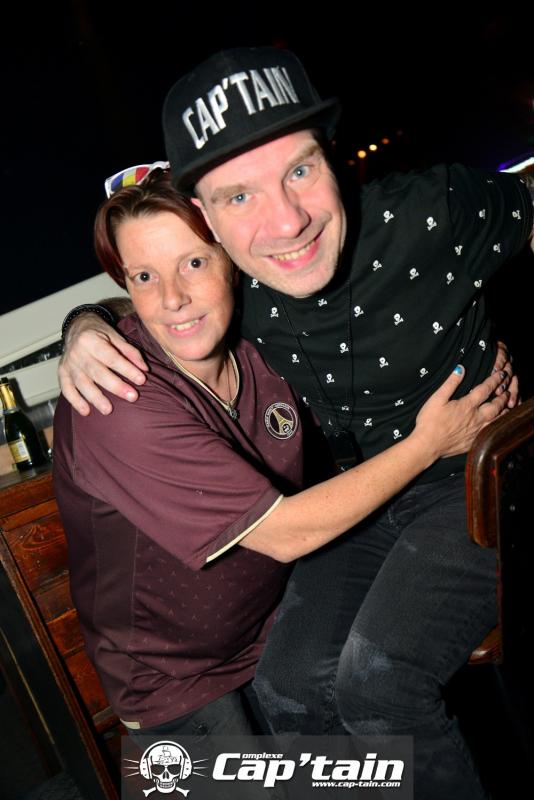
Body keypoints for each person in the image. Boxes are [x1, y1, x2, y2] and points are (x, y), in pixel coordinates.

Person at [57, 48, 533, 799]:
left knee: (374, 688)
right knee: (283, 709)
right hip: (193, 670)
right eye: (239, 196)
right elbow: (157, 292)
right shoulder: (185, 339)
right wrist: (80, 326)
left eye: (300, 170)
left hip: (449, 495)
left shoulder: (419, 216)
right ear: (214, 222)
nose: (285, 221)